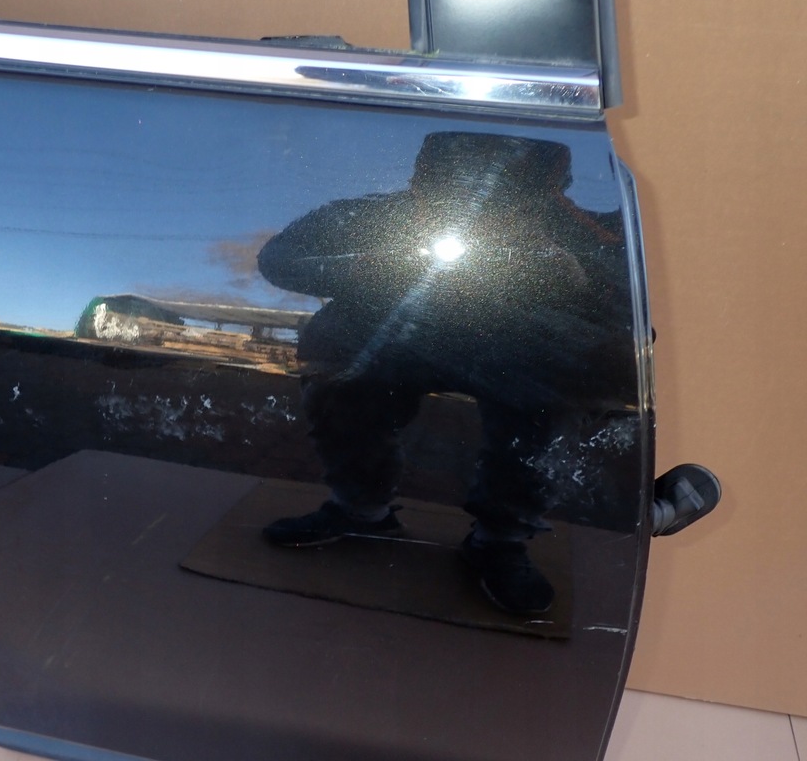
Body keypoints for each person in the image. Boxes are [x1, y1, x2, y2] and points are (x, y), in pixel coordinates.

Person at [257, 132, 637, 615]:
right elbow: (278, 257)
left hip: (521, 353)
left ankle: (498, 539)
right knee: (336, 349)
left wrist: (578, 282)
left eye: (513, 188)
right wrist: (367, 270)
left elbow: (633, 317)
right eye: (456, 178)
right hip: (394, 340)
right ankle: (361, 508)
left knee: (556, 389)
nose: (482, 200)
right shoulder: (379, 216)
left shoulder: (584, 233)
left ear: (549, 189)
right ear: (426, 177)